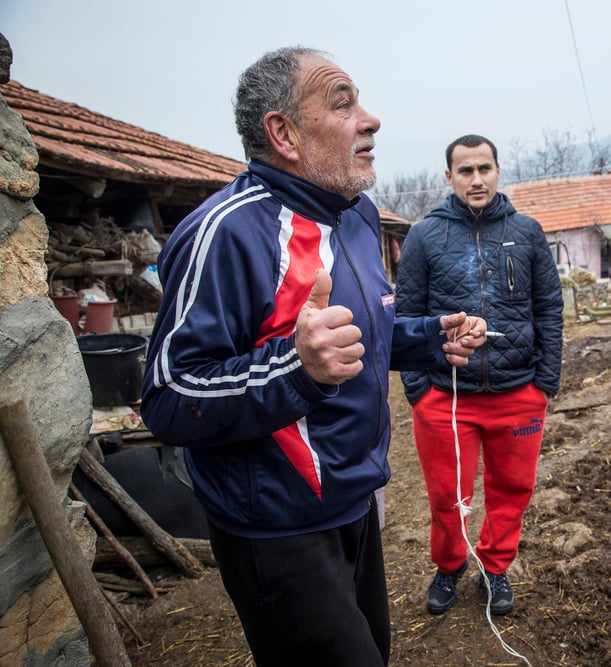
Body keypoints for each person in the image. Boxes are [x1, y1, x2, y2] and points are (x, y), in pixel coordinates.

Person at [139, 47, 486, 667]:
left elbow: (358, 338)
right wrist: (293, 370)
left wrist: (428, 336)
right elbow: (168, 398)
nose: (370, 119)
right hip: (277, 526)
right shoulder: (225, 232)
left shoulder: (355, 216)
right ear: (284, 133)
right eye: (343, 102)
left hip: (353, 499)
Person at [394, 134, 564, 617]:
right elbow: (406, 316)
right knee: (449, 495)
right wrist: (417, 389)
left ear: (497, 171)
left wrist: (544, 382)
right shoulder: (425, 235)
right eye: (465, 171)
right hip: (446, 398)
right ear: (448, 177)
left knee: (513, 490)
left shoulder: (527, 232)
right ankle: (449, 567)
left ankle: (495, 567)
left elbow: (549, 308)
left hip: (518, 393)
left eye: (484, 168)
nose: (476, 179)